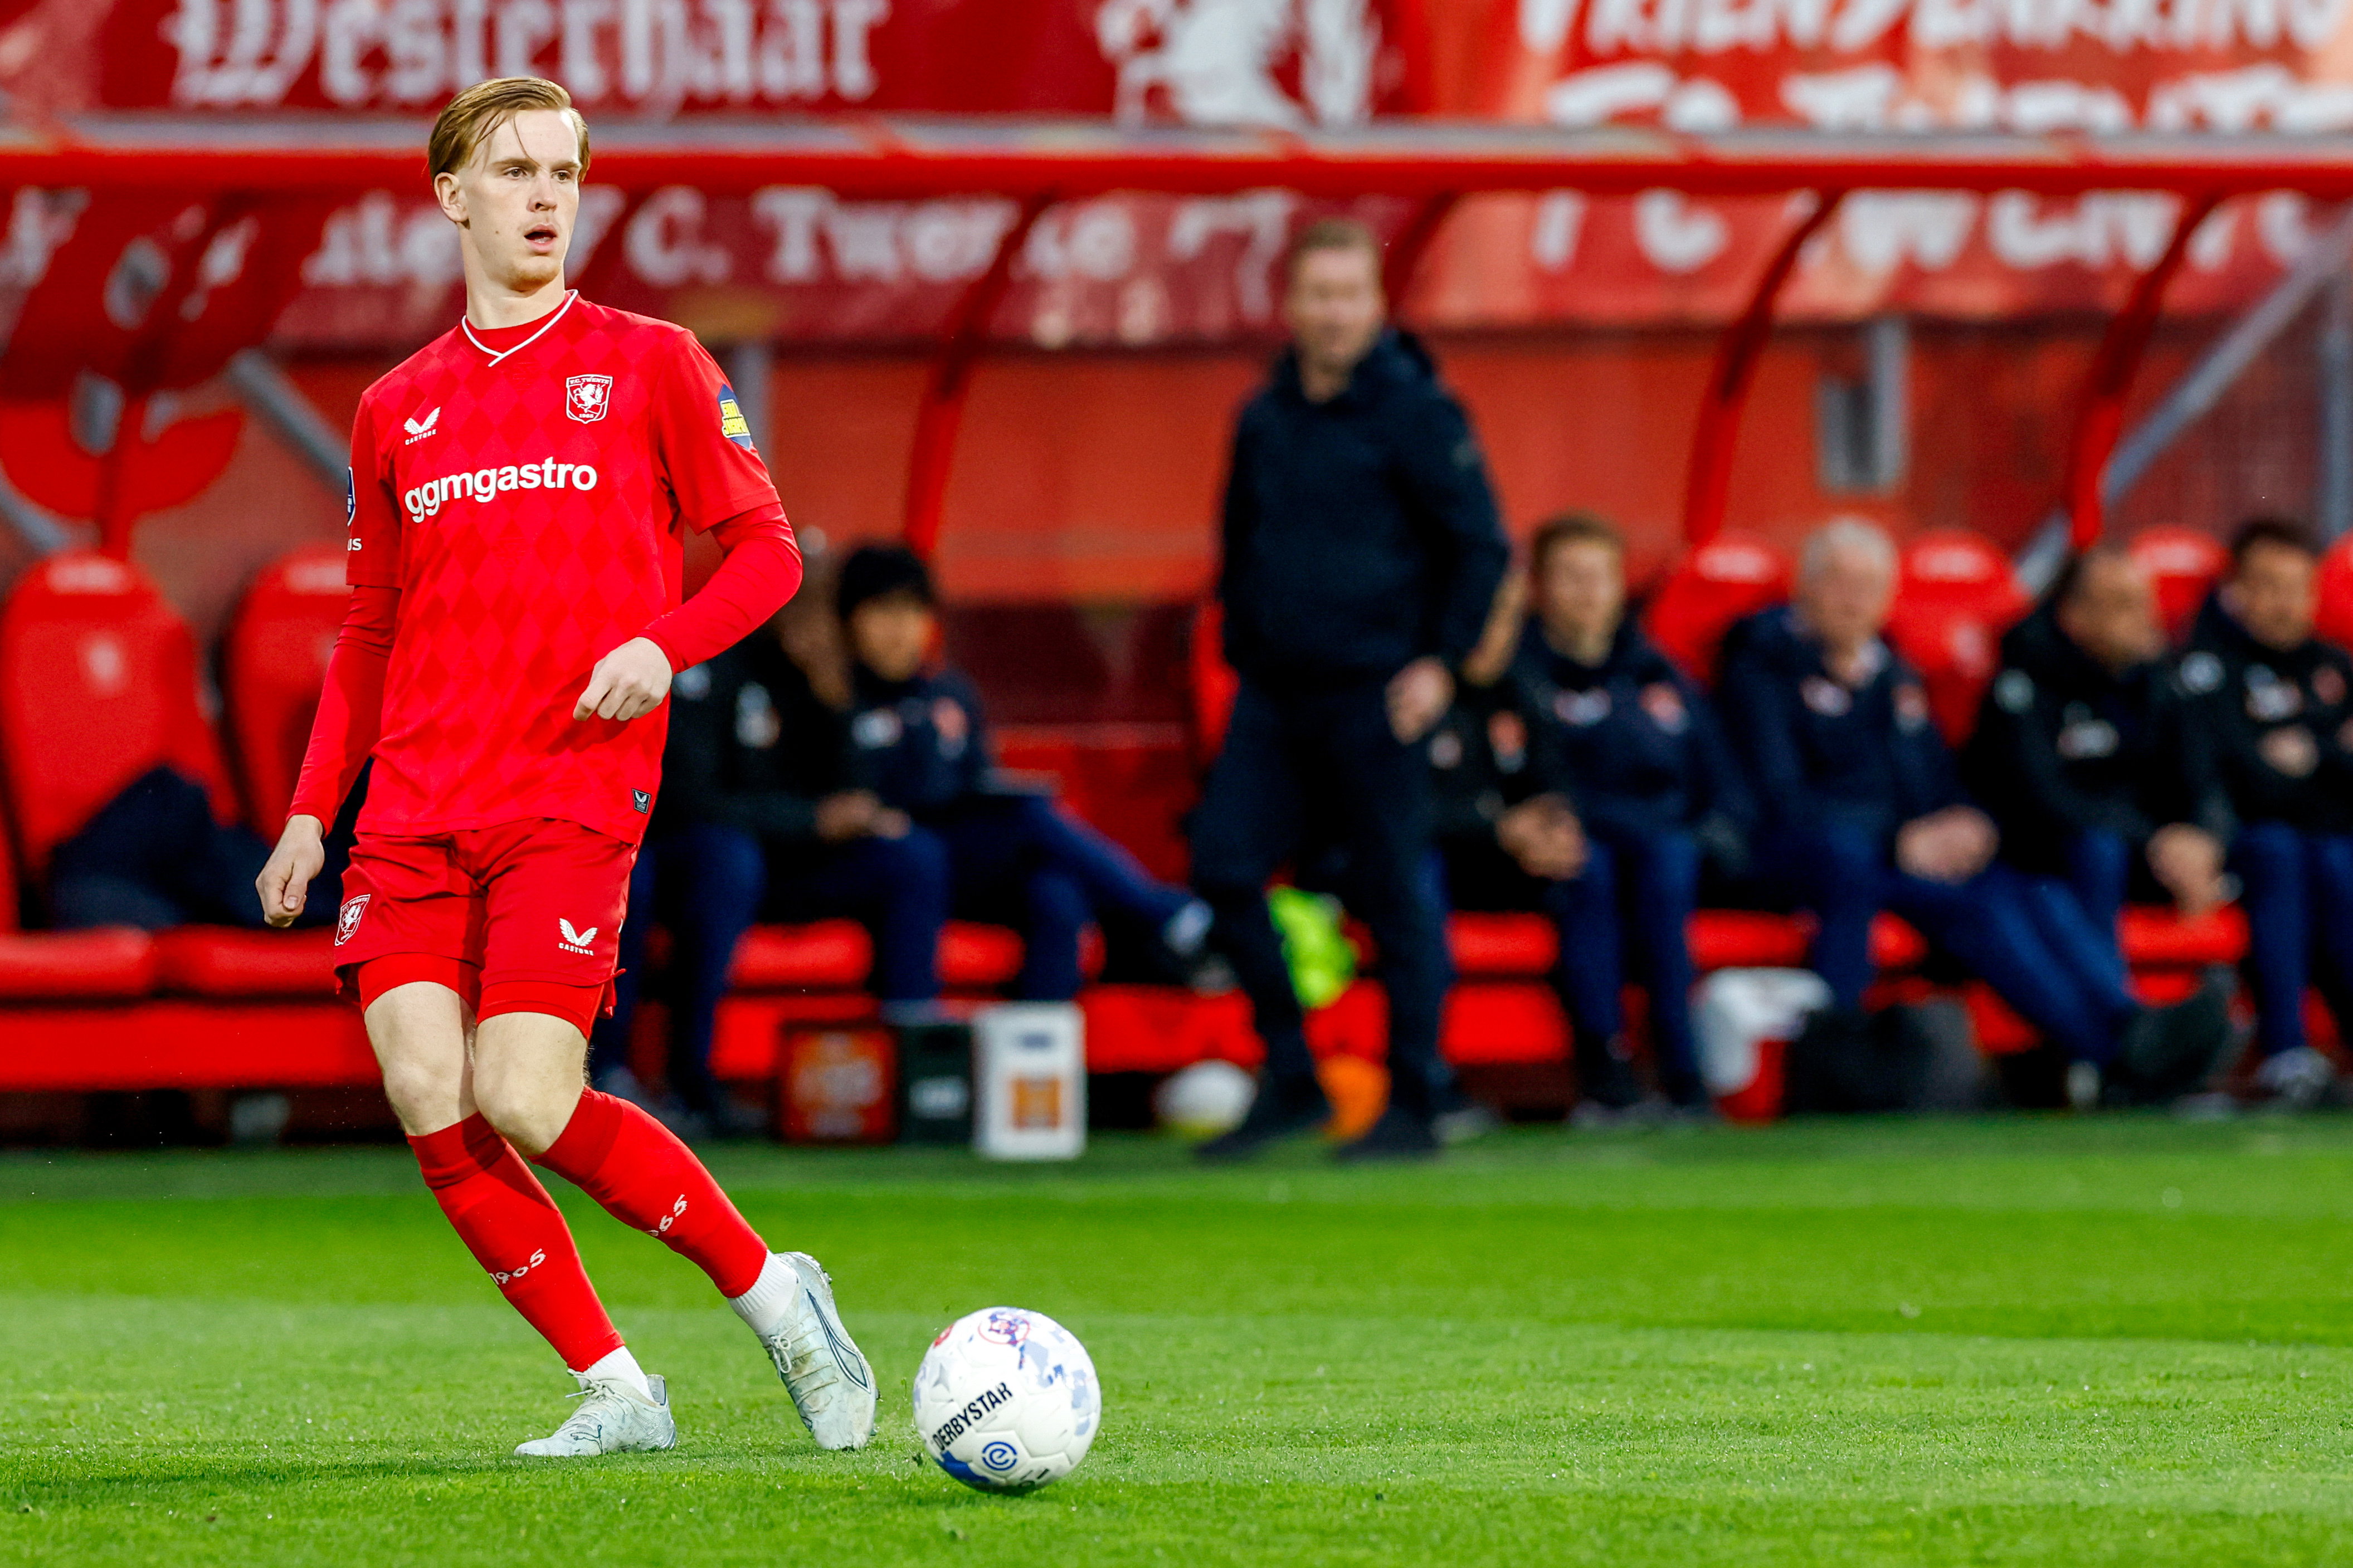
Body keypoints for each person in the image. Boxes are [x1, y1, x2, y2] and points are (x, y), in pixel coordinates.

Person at [253, 77, 874, 1459]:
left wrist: (664, 645)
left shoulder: (650, 361)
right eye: (515, 170)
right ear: (450, 194)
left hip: (571, 791)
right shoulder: (396, 408)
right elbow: (367, 631)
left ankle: (777, 1296)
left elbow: (768, 552)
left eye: (565, 173)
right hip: (413, 801)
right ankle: (618, 1390)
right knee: (425, 1083)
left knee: (526, 1095)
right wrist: (310, 817)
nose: (544, 196)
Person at [1191, 217, 1511, 1162]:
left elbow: (1481, 546)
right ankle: (1290, 1078)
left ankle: (1416, 1097)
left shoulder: (1418, 411)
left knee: (1390, 888)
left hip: (1379, 692)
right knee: (1222, 864)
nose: (1332, 314)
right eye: (1317, 296)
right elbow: (1238, 538)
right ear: (1290, 306)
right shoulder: (1264, 415)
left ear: (1376, 305)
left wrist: (1440, 665)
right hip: (1276, 693)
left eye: (1348, 296)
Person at [1720, 517, 2226, 1102]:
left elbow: (1936, 774)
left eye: (1868, 584)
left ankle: (2126, 1023)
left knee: (2037, 893)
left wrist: (1965, 819)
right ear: (1803, 588)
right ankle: (2116, 1054)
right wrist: (1896, 841)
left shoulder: (1889, 671)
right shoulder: (1760, 671)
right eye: (1837, 581)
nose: (1853, 598)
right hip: (1823, 859)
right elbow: (1776, 797)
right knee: (1978, 911)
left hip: (1900, 857)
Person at [587, 572, 951, 1135]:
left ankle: (906, 1077)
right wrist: (809, 820)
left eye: (817, 602)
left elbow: (855, 788)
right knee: (713, 861)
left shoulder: (826, 670)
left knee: (912, 859)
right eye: (792, 596)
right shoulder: (714, 660)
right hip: (723, 860)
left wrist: (833, 698)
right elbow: (687, 796)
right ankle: (684, 1079)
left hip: (795, 863)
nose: (805, 615)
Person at [836, 544, 1211, 1000]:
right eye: (881, 612)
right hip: (890, 860)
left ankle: (1033, 1059)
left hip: (965, 861)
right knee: (1028, 819)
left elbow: (976, 777)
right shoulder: (834, 698)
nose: (899, 630)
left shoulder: (950, 693)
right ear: (848, 619)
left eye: (912, 612)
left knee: (1055, 894)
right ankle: (1164, 913)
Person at [1508, 514, 1752, 1114]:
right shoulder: (1517, 674)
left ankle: (1681, 1064)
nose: (1588, 592)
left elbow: (1716, 776)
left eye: (1600, 577)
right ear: (1537, 586)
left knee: (1668, 864)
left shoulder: (1656, 671)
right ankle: (1603, 1063)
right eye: (1570, 577)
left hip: (1656, 842)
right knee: (1587, 869)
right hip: (1561, 849)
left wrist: (1716, 829)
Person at [1964, 545, 2233, 1016]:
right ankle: (2118, 1017)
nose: (2145, 617)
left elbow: (2204, 777)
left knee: (2279, 851)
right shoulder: (2023, 678)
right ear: (2074, 615)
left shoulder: (2160, 677)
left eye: (2145, 600)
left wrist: (2203, 839)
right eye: (2123, 603)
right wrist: (2155, 841)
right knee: (2096, 850)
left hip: (2150, 851)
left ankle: (2239, 1023)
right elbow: (2043, 799)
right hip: (2046, 859)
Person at [2178, 517, 2353, 1106]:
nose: (2287, 603)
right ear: (2239, 591)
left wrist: (2311, 756)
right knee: (2280, 849)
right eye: (2270, 586)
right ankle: (2285, 1052)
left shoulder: (2334, 668)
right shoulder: (2208, 669)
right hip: (2243, 850)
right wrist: (2332, 755)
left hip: (2328, 843)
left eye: (2299, 587)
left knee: (2331, 857)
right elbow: (2242, 780)